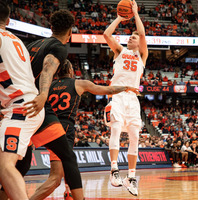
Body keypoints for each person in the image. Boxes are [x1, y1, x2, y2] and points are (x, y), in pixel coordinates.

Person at [34, 60, 139, 200]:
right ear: (71, 71)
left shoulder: (48, 86)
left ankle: (69, 192)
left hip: (46, 125)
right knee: (55, 177)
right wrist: (126, 87)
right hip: (62, 129)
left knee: (67, 161)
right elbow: (109, 90)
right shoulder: (78, 83)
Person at [17, 10, 84, 200]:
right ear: (70, 31)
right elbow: (47, 69)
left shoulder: (32, 45)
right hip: (36, 106)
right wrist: (43, 95)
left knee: (21, 164)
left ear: (51, 27)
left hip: (18, 104)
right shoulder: (59, 47)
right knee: (68, 156)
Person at [103, 0, 148, 196]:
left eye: (133, 37)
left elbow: (143, 34)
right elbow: (106, 34)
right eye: (129, 37)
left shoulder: (142, 55)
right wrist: (120, 18)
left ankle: (131, 177)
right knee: (115, 130)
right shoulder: (120, 51)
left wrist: (136, 14)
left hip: (133, 99)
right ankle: (114, 171)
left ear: (139, 43)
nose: (130, 39)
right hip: (118, 95)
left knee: (135, 137)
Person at [0, 2, 44, 199]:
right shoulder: (18, 41)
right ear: (8, 20)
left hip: (21, 107)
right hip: (23, 104)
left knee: (5, 166)